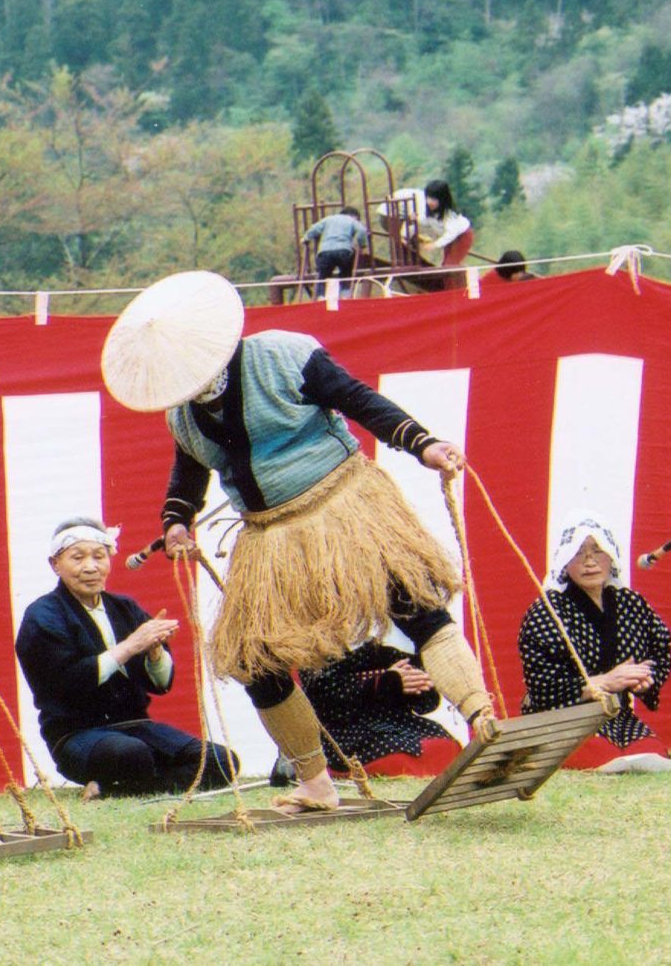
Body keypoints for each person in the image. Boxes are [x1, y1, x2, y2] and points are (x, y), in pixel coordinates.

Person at [100, 270, 497, 813]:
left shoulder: (286, 355)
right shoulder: (183, 415)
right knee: (251, 658)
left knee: (416, 606)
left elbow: (360, 402)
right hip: (268, 539)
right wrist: (176, 522)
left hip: (344, 507)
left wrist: (422, 444)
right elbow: (187, 479)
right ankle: (315, 780)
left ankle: (485, 721)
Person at [16, 517, 238, 797]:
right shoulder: (42, 615)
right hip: (76, 734)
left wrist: (155, 653)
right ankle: (134, 779)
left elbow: (158, 684)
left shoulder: (124, 607)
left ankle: (111, 788)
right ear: (55, 564)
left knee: (222, 762)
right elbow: (67, 682)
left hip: (136, 726)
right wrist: (132, 644)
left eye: (99, 556)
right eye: (78, 557)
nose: (90, 567)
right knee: (131, 754)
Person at [518, 511, 671, 772]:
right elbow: (542, 687)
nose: (589, 561)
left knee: (650, 753)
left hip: (616, 715)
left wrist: (644, 681)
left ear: (612, 556)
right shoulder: (546, 612)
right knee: (598, 755)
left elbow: (659, 650)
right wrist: (604, 681)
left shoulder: (631, 603)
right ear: (565, 561)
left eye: (598, 551)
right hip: (565, 719)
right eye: (579, 553)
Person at [300, 636, 462, 777]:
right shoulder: (314, 650)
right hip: (348, 733)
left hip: (397, 722)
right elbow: (324, 700)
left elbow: (426, 704)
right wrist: (383, 682)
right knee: (400, 754)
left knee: (446, 745)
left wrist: (417, 683)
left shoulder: (383, 643)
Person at [379, 179, 473, 286]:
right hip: (449, 239)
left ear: (442, 200)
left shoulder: (449, 214)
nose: (429, 202)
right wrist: (405, 236)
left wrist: (434, 245)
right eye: (428, 198)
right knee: (446, 265)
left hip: (462, 237)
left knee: (449, 266)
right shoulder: (425, 209)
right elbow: (415, 223)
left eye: (434, 199)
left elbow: (451, 234)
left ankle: (457, 291)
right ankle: (453, 290)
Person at [301, 206, 368, 295]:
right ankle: (345, 295)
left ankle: (320, 297)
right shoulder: (351, 220)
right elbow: (362, 230)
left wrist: (306, 238)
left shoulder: (328, 219)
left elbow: (314, 229)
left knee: (322, 276)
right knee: (346, 273)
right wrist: (362, 244)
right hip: (344, 251)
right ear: (354, 216)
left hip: (325, 252)